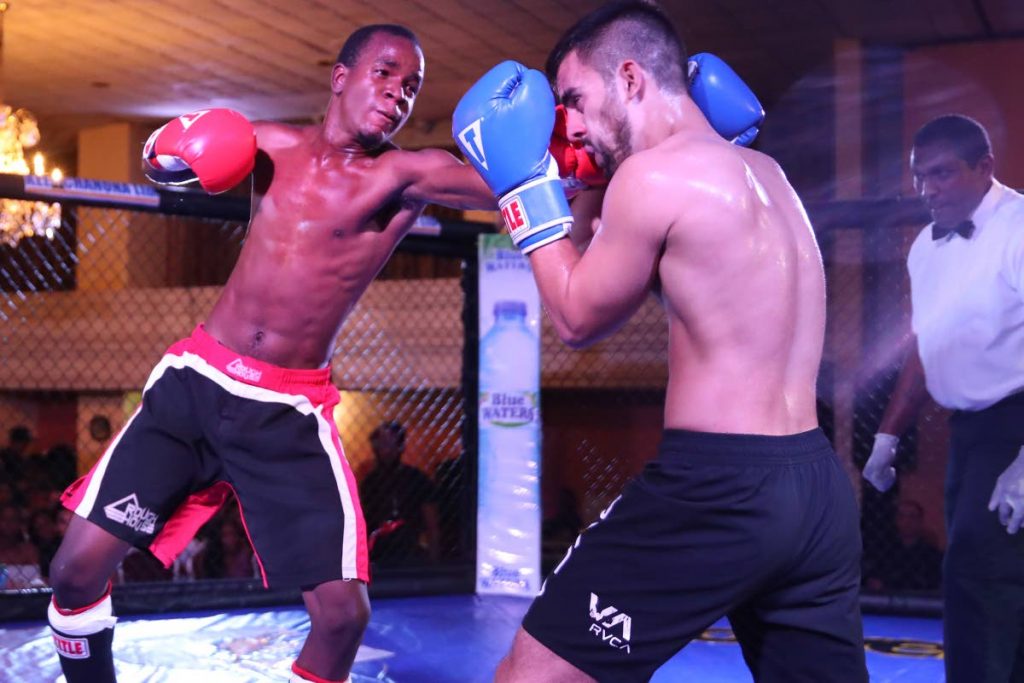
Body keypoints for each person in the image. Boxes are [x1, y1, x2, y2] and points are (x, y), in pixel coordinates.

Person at [46, 23, 494, 683]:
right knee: (73, 570)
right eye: (386, 74)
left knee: (343, 615)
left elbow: (512, 191)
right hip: (197, 382)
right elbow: (163, 159)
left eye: (411, 88)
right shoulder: (269, 144)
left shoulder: (403, 174)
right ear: (340, 77)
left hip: (285, 408)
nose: (398, 95)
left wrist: (573, 162)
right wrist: (170, 150)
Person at [453, 2, 867, 681]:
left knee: (528, 677)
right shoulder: (770, 177)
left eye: (576, 101)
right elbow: (612, 265)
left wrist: (523, 187)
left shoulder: (653, 178)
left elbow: (577, 316)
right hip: (817, 489)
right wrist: (584, 183)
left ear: (631, 78)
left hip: (718, 485)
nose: (573, 125)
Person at [862, 113, 1024, 682]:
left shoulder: (1020, 227)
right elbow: (926, 345)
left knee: (978, 579)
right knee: (998, 584)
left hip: (1017, 427)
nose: (927, 190)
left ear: (985, 168)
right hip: (970, 434)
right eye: (918, 177)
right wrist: (887, 435)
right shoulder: (925, 250)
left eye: (941, 175)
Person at [359, 420, 441, 564]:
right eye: (381, 444)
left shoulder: (417, 479)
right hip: (378, 554)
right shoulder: (370, 482)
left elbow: (431, 523)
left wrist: (433, 561)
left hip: (410, 552)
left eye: (390, 443)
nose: (385, 450)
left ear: (400, 446)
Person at [862, 500, 943, 593]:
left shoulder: (931, 555)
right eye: (901, 516)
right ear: (896, 520)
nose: (906, 521)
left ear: (920, 521)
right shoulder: (885, 552)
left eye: (912, 516)